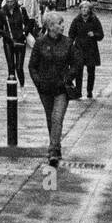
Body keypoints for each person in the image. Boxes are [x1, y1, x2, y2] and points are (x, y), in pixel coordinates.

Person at [28, 11, 74, 167]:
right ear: (51, 26)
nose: (63, 26)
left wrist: (67, 79)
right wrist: (38, 82)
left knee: (57, 118)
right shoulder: (40, 43)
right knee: (51, 118)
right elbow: (32, 66)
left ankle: (53, 150)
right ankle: (57, 146)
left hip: (61, 88)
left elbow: (76, 64)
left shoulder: (68, 42)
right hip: (45, 88)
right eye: (60, 24)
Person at [67, 0, 105, 99]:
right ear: (80, 10)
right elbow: (71, 34)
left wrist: (94, 34)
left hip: (91, 49)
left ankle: (89, 91)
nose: (84, 10)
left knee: (91, 71)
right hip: (79, 49)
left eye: (86, 8)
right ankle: (78, 91)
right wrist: (69, 47)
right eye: (82, 8)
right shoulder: (76, 20)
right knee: (78, 71)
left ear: (90, 10)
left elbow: (101, 35)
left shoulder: (94, 20)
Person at [0, 0, 29, 91]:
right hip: (8, 41)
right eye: (8, 1)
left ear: (15, 0)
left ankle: (22, 86)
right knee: (11, 67)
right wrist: (7, 35)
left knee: (19, 67)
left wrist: (24, 33)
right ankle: (12, 90)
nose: (10, 3)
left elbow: (28, 23)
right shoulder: (2, 11)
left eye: (12, 1)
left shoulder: (21, 10)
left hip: (20, 39)